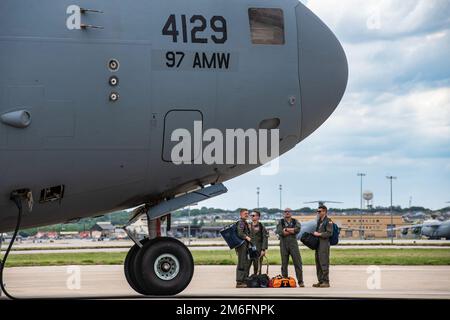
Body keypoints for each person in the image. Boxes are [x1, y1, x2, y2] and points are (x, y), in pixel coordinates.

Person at [276, 208, 304, 287]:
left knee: (298, 263)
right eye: (285, 211)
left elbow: (297, 230)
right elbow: (280, 232)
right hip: (283, 245)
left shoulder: (295, 221)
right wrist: (291, 231)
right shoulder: (280, 222)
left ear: (291, 213)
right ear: (284, 213)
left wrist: (286, 229)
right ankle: (285, 281)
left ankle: (300, 281)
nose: (287, 213)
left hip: (293, 245)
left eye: (289, 211)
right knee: (284, 263)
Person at [313, 205, 333, 288]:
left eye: (320, 211)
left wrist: (319, 234)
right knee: (318, 263)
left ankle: (326, 281)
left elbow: (329, 233)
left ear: (324, 211)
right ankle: (320, 281)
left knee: (324, 262)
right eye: (317, 211)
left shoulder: (328, 221)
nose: (318, 213)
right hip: (318, 244)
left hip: (324, 244)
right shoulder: (319, 221)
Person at [249, 209, 269, 275]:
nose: (252, 217)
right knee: (246, 265)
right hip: (249, 249)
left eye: (253, 215)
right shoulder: (248, 226)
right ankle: (246, 281)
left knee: (257, 266)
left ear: (258, 217)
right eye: (251, 215)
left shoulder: (261, 226)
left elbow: (265, 238)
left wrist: (263, 249)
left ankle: (257, 280)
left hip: (258, 249)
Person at [235, 208, 251, 288]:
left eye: (247, 213)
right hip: (242, 246)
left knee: (245, 263)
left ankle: (243, 280)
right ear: (241, 214)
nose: (247, 215)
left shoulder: (245, 222)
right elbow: (240, 233)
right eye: (245, 213)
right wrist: (246, 237)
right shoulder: (241, 222)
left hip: (245, 245)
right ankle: (239, 282)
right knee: (241, 263)